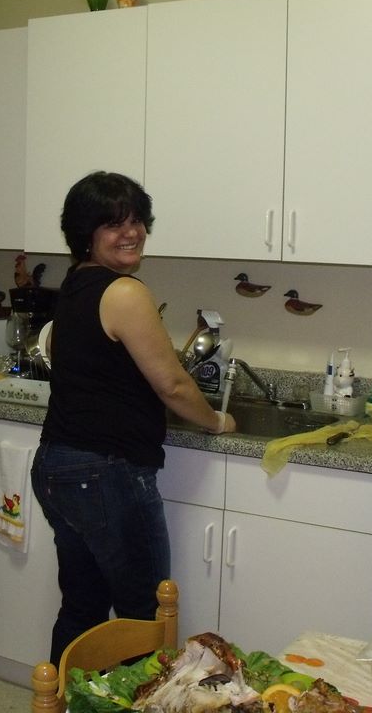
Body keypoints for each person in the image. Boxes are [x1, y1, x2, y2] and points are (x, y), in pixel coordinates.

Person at [31, 171, 237, 666]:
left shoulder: (76, 285)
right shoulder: (125, 292)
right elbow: (172, 385)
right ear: (86, 234)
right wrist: (217, 422)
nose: (132, 232)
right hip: (106, 472)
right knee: (146, 616)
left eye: (138, 220)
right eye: (113, 224)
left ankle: (61, 703)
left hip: (58, 465)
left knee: (82, 607)